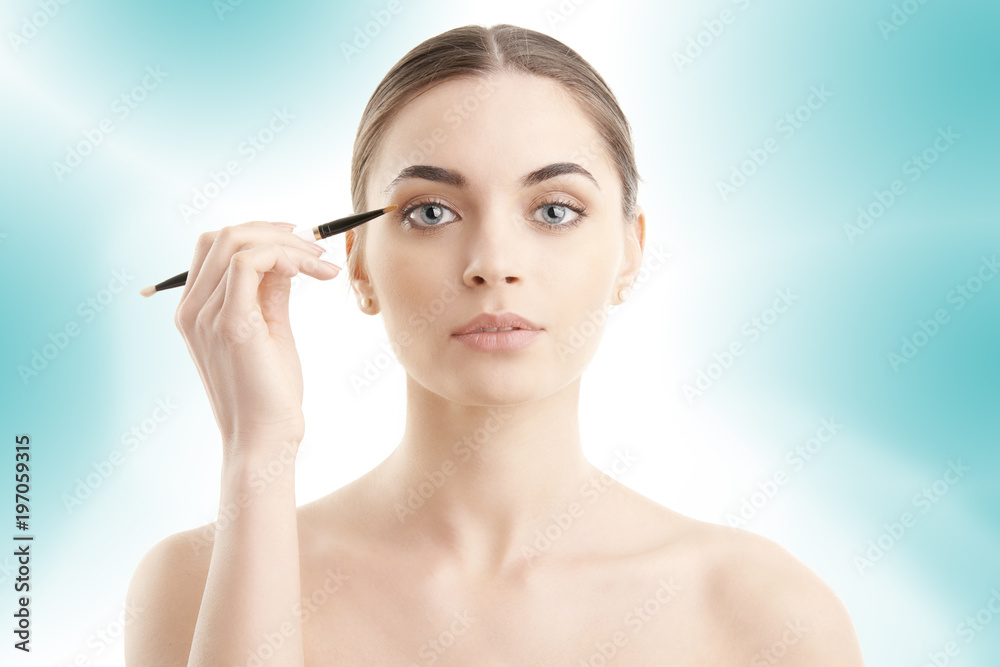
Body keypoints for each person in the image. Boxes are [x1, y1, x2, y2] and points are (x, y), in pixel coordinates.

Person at [125, 23, 865, 665]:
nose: (491, 261)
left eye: (553, 208)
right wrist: (259, 448)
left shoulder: (767, 614)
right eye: (432, 211)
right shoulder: (199, 582)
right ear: (357, 265)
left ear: (631, 250)